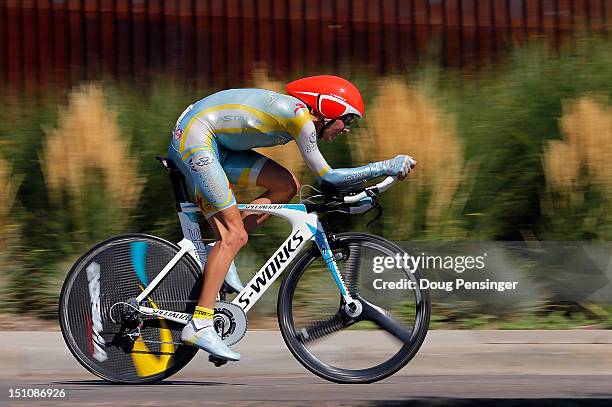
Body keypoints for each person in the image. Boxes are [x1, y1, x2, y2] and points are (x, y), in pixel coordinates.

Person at [168, 75, 416, 361]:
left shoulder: (300, 117)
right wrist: (385, 166)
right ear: (329, 110)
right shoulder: (301, 119)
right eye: (347, 120)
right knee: (233, 235)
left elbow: (327, 182)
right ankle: (200, 323)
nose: (347, 129)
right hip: (195, 139)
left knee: (287, 186)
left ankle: (220, 253)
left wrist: (361, 191)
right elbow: (329, 176)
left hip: (215, 143)